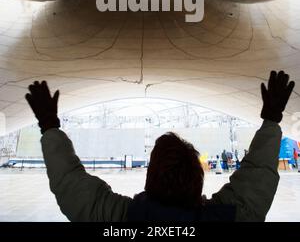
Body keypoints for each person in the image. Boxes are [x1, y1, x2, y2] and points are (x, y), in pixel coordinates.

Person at [25, 70, 294, 222]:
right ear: (197, 181)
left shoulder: (119, 220)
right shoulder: (231, 218)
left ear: (149, 177)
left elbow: (69, 182)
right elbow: (258, 176)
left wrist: (49, 125)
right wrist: (272, 119)